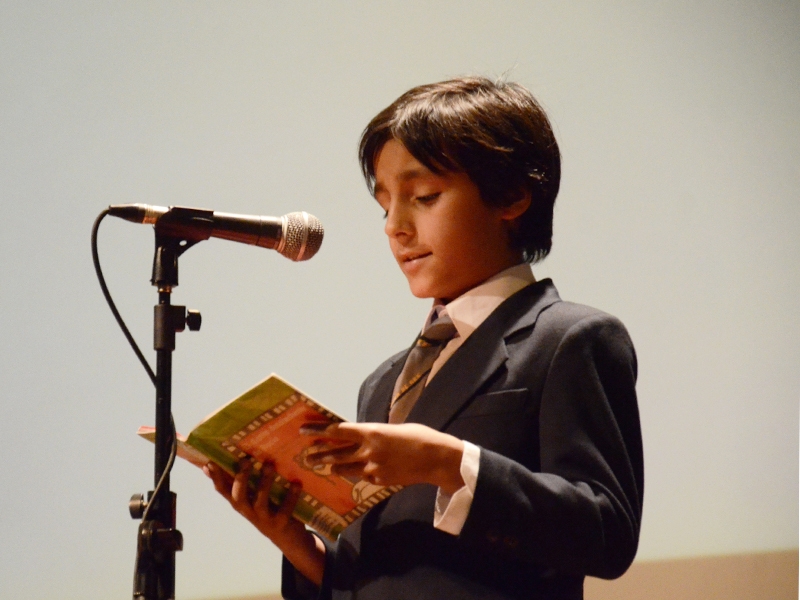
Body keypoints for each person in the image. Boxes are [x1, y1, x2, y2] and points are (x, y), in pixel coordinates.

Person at [206, 76, 644, 600]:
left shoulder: (568, 338)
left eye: (424, 196)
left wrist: (446, 461)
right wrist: (296, 541)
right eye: (385, 206)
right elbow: (379, 582)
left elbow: (607, 530)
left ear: (512, 196)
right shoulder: (383, 382)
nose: (396, 226)